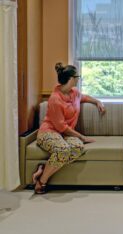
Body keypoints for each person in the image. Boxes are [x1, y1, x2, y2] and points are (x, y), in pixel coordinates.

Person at [31, 63, 106, 194]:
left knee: (77, 148)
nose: (78, 79)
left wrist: (97, 102)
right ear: (71, 79)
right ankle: (41, 181)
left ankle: (43, 168)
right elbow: (61, 127)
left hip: (66, 134)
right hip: (49, 131)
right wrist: (82, 137)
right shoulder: (55, 99)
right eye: (77, 76)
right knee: (63, 150)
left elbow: (85, 97)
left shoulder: (74, 93)